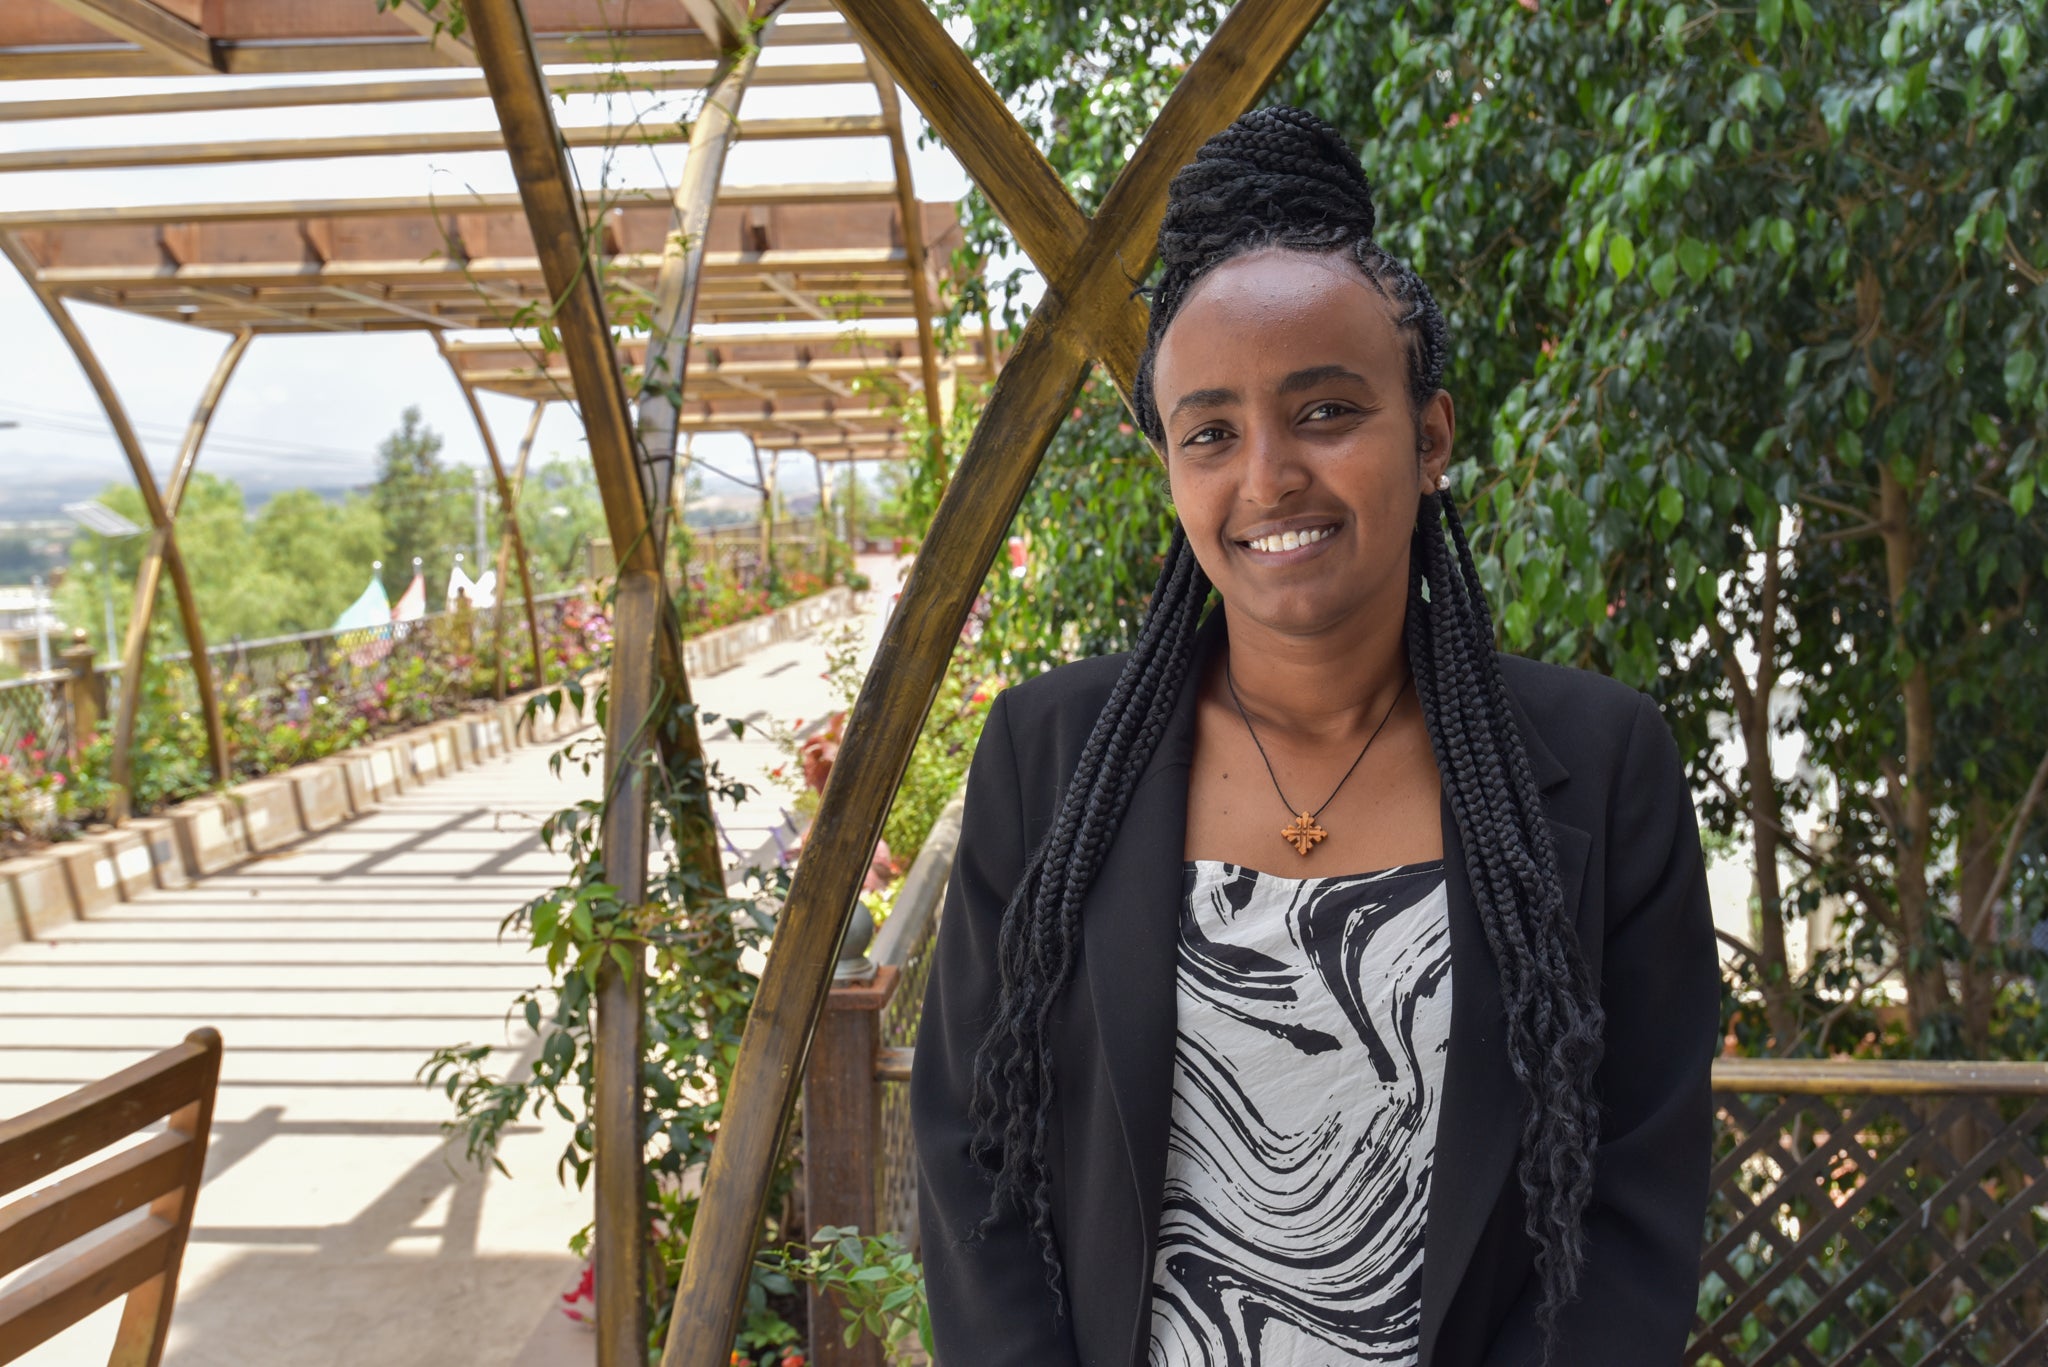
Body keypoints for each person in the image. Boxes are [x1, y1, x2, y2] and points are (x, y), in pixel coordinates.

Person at [910, 107, 1719, 1367]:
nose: (1268, 475)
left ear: (1431, 435)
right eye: (1212, 431)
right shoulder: (1044, 757)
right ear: (1170, 465)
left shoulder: (1602, 770)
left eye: (1325, 410)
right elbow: (972, 1154)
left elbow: (1633, 1199)